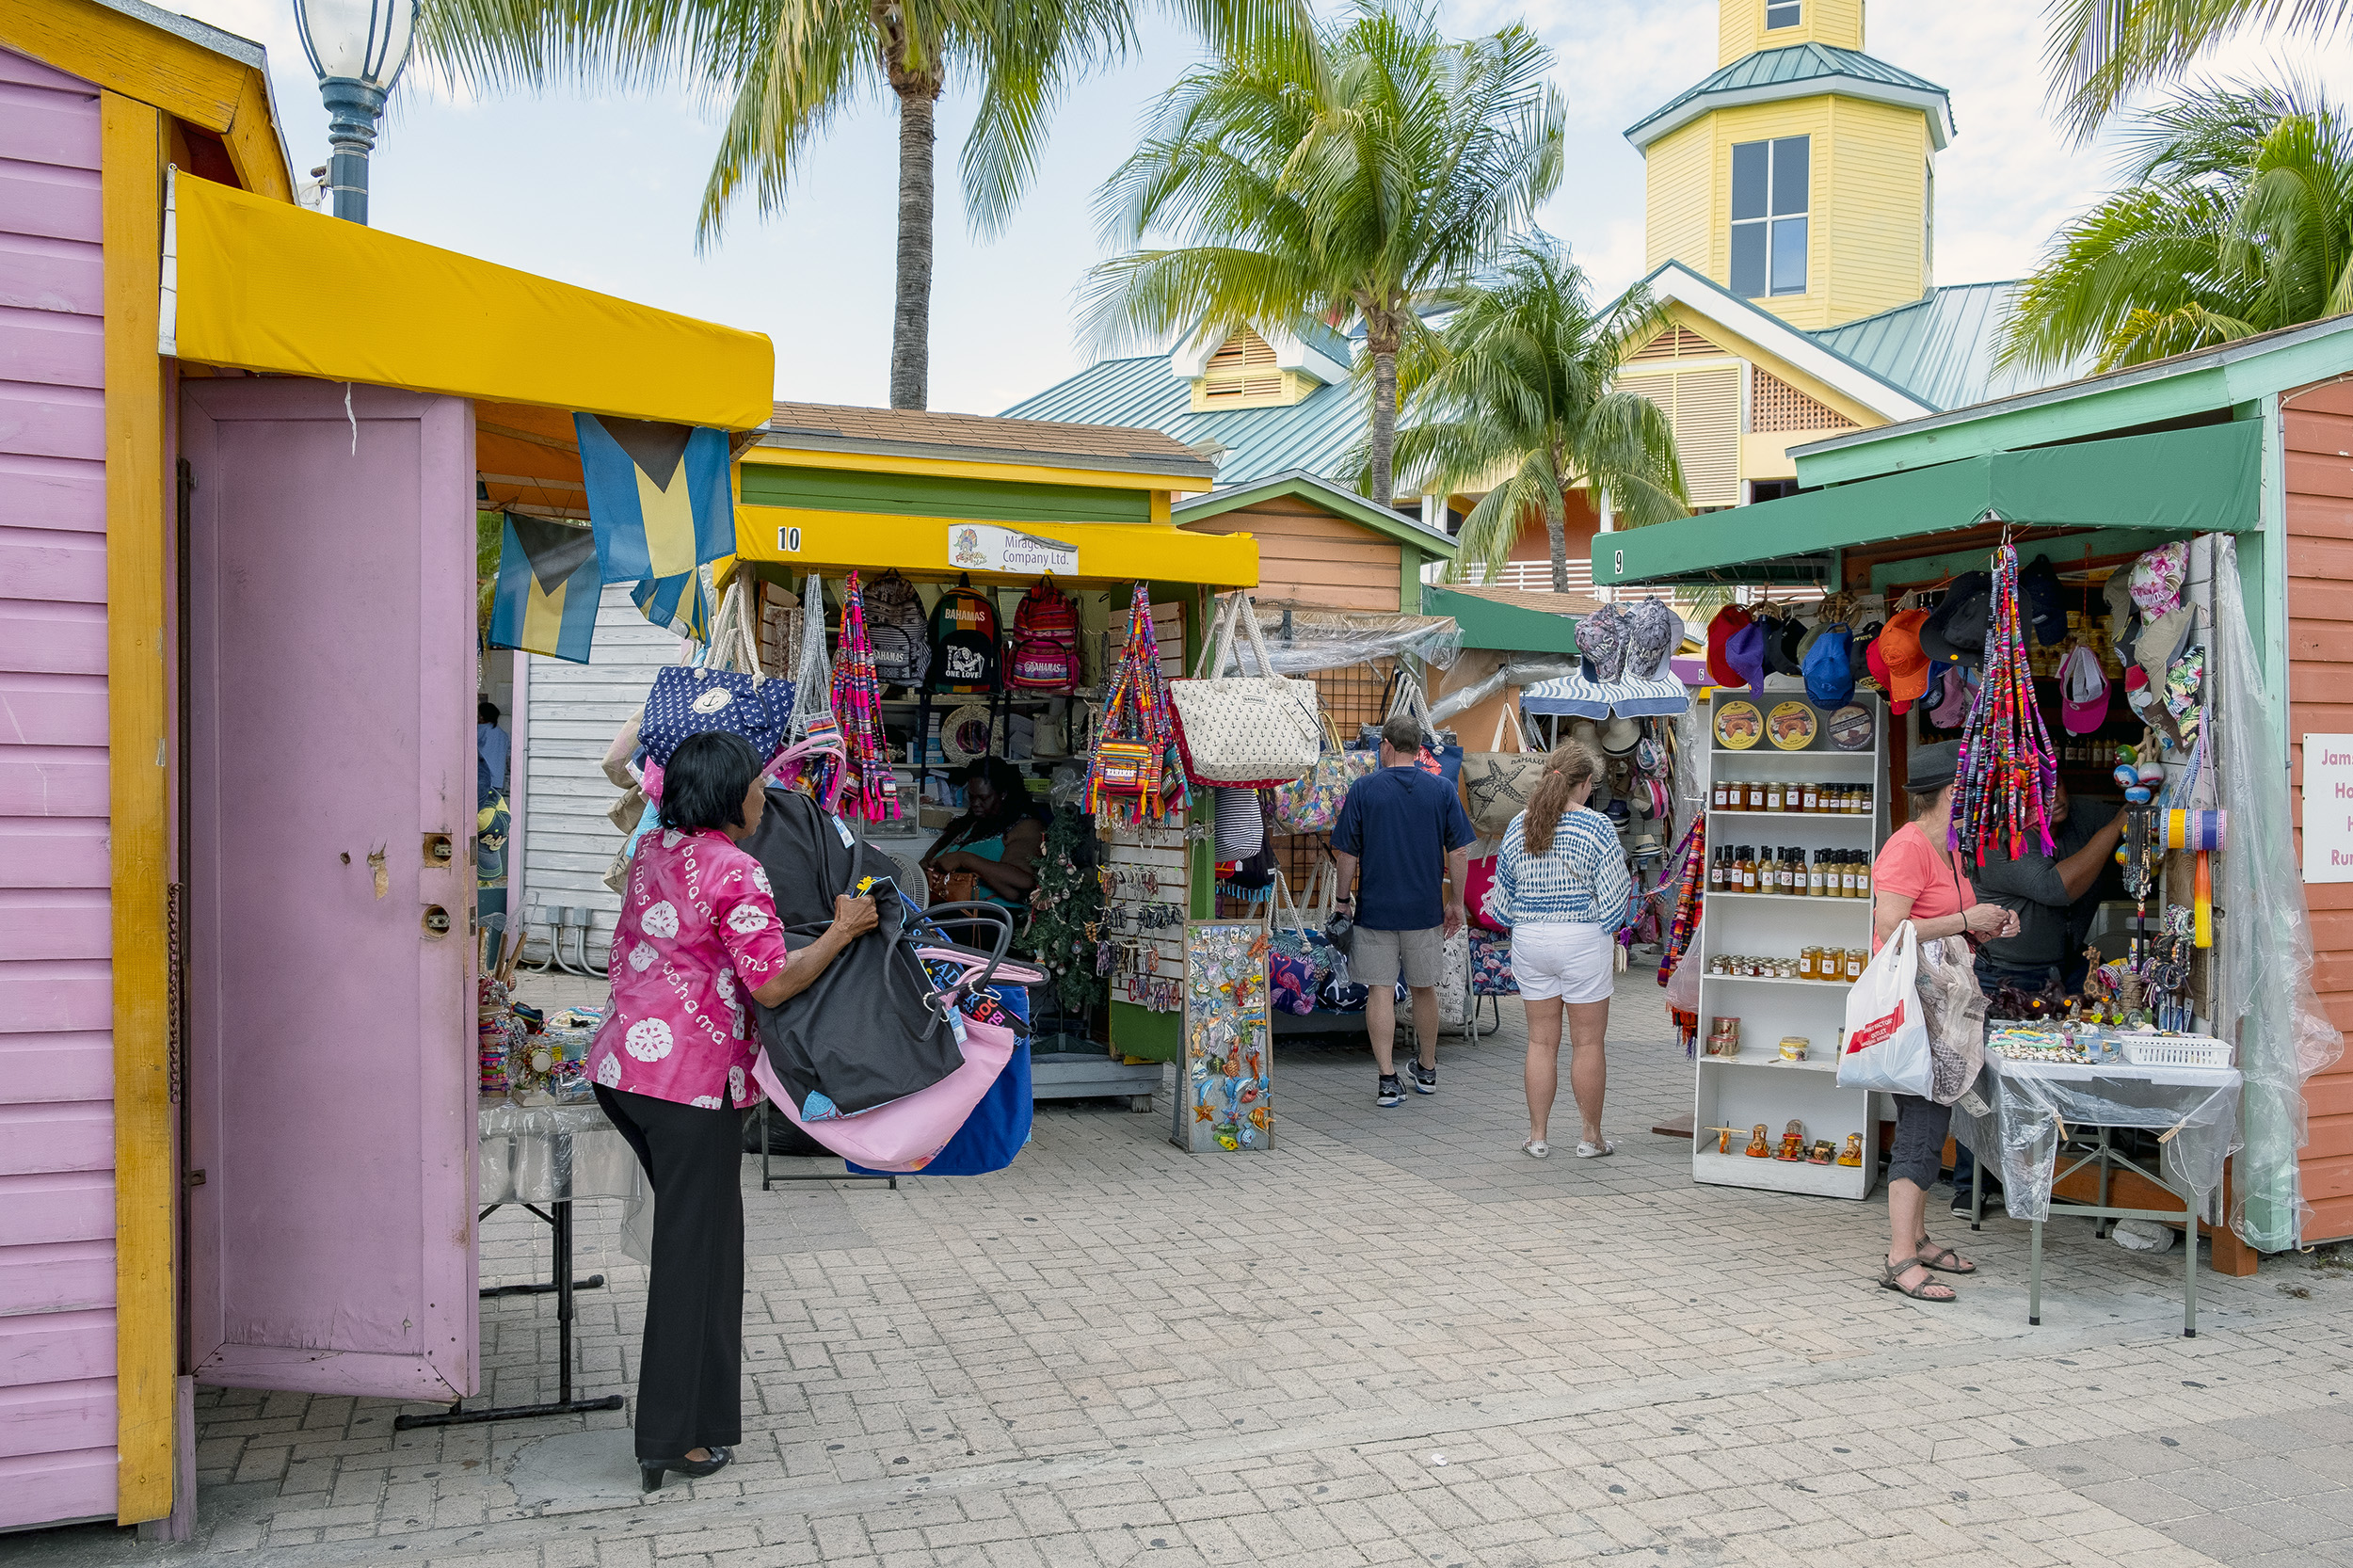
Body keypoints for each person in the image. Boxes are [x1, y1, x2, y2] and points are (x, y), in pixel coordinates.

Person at [586, 730, 877, 1491]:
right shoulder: (735, 869)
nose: (762, 798)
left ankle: (702, 1420)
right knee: (696, 1256)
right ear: (728, 797)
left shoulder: (655, 851)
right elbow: (773, 983)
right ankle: (670, 1438)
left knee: (710, 1244)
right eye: (754, 787)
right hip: (689, 1085)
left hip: (625, 1071)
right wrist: (844, 930)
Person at [1867, 740, 2018, 1302]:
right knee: (1921, 1127)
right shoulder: (1907, 849)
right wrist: (1964, 917)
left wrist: (1988, 925)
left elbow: (1952, 924)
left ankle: (1919, 1236)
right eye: (1970, 789)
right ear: (1952, 793)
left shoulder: (1948, 847)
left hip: (1943, 1010)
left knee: (1931, 1121)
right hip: (1917, 1013)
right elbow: (1893, 930)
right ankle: (1899, 1257)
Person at [1947, 776, 2122, 1212]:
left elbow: (2140, 814)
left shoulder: (2085, 813)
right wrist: (2115, 828)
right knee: (1986, 1082)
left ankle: (2040, 1180)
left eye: (2058, 784)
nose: (2055, 798)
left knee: (2054, 1078)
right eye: (2036, 794)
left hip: (2063, 972)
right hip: (2001, 976)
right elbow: (2056, 887)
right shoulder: (1994, 841)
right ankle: (1971, 1188)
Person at [1488, 741, 1631, 1160]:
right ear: (1585, 784)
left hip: (1531, 940)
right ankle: (1590, 1137)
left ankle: (1537, 1137)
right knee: (1587, 1044)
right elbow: (1616, 894)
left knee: (1540, 1043)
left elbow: (1501, 899)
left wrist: (1529, 921)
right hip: (1582, 939)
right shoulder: (1597, 827)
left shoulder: (1519, 824)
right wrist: (1606, 931)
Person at [1331, 711, 1476, 1108]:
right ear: (1420, 749)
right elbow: (1460, 850)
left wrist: (1343, 902)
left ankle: (1388, 1080)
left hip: (1376, 910)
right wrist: (1456, 903)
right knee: (1423, 988)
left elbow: (1346, 852)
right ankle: (1426, 1069)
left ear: (1387, 746)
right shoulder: (1442, 790)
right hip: (1424, 911)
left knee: (1379, 991)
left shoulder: (1363, 789)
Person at [921, 757, 1043, 907]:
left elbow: (1022, 883)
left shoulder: (1024, 827)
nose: (975, 804)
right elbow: (926, 862)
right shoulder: (967, 825)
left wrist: (964, 859)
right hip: (947, 911)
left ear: (1003, 794)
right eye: (971, 797)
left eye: (983, 797)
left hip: (988, 919)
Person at [477, 698, 509, 806]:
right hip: (497, 779)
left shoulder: (481, 730)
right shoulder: (503, 734)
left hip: (483, 778)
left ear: (482, 716)